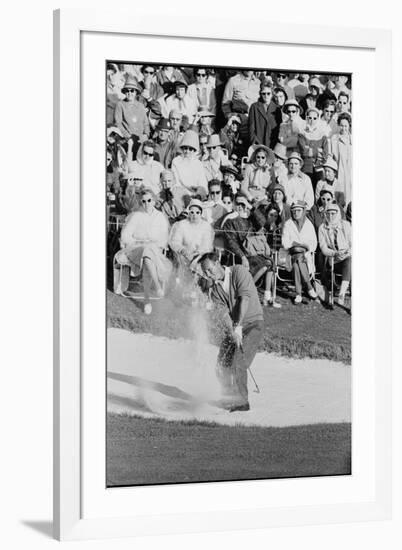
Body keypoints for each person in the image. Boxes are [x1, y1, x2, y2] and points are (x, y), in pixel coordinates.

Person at [197, 252, 264, 412]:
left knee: (238, 362)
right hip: (236, 327)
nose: (207, 274)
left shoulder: (238, 271)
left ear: (218, 263)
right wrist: (232, 330)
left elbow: (244, 299)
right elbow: (223, 313)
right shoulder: (215, 290)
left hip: (253, 324)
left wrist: (239, 326)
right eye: (204, 272)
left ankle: (242, 402)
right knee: (221, 365)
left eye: (209, 269)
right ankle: (228, 397)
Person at [118, 188, 172, 315]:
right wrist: (140, 242)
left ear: (154, 201)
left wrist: (152, 243)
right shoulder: (136, 216)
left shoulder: (160, 217)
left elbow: (164, 239)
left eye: (149, 200)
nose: (146, 204)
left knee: (148, 254)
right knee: (146, 251)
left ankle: (147, 300)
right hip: (136, 249)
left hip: (154, 250)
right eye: (143, 201)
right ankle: (158, 287)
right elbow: (125, 236)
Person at [282, 200, 318, 304]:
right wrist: (296, 244)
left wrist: (304, 246)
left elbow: (314, 244)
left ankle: (298, 294)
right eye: (294, 211)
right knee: (297, 256)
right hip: (290, 254)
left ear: (303, 211)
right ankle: (309, 287)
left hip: (304, 256)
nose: (296, 213)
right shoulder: (288, 224)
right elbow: (285, 243)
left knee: (297, 264)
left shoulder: (308, 224)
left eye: (298, 210)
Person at [318, 202, 351, 306]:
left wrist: (346, 252)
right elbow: (323, 247)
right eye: (328, 213)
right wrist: (334, 253)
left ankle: (341, 294)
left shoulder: (345, 225)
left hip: (346, 257)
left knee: (350, 261)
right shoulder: (322, 228)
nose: (330, 216)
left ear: (338, 214)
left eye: (333, 213)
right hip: (333, 260)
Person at [169, 198, 214, 274]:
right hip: (184, 257)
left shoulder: (206, 226)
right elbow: (175, 241)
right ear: (189, 213)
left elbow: (207, 245)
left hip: (200, 257)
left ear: (201, 213)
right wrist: (182, 250)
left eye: (197, 212)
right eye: (192, 212)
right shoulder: (182, 225)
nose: (194, 215)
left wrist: (196, 254)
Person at [171, 130, 209, 199]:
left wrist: (198, 194)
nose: (187, 151)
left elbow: (202, 183)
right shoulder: (176, 161)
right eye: (185, 148)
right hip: (181, 195)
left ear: (194, 150)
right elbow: (176, 183)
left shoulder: (198, 164)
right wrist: (187, 194)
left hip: (196, 195)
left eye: (190, 149)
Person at [114, 77, 150, 146]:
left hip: (141, 139)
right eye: (127, 91)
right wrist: (127, 136)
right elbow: (118, 123)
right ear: (124, 92)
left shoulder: (141, 106)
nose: (129, 93)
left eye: (132, 91)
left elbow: (146, 123)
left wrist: (146, 135)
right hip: (127, 140)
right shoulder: (120, 104)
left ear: (136, 92)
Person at [248, 81, 282, 148]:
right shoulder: (254, 107)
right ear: (260, 94)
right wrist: (254, 142)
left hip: (271, 145)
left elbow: (278, 129)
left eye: (268, 93)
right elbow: (251, 127)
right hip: (257, 144)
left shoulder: (277, 109)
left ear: (272, 94)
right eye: (264, 93)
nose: (266, 96)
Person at [330, 113, 352, 208]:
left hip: (351, 171)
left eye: (346, 126)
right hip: (339, 171)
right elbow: (331, 156)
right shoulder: (334, 139)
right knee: (340, 194)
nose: (343, 128)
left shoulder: (352, 139)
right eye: (341, 125)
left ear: (349, 126)